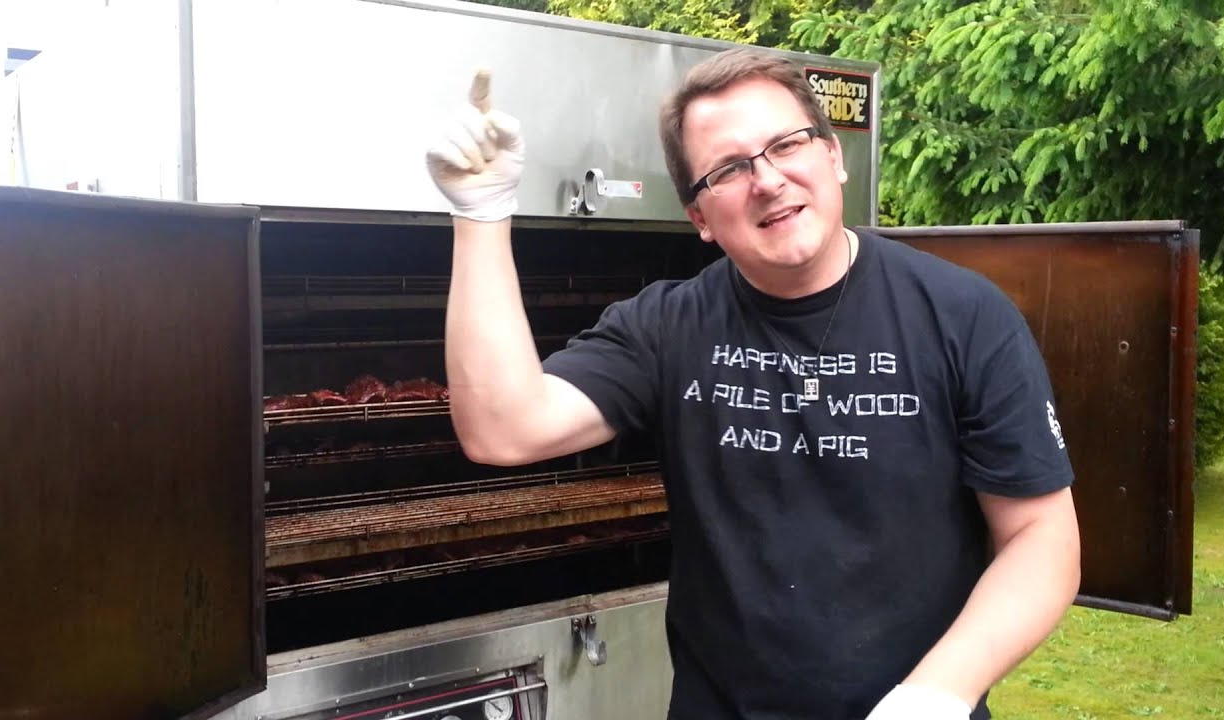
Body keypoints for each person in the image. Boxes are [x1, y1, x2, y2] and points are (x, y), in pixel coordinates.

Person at [426, 48, 1081, 720]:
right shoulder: (668, 326)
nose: (767, 180)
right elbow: (504, 428)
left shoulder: (963, 315)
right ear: (700, 219)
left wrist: (936, 694)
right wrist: (481, 216)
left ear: (833, 156)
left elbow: (1039, 536)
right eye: (729, 168)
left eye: (786, 144)